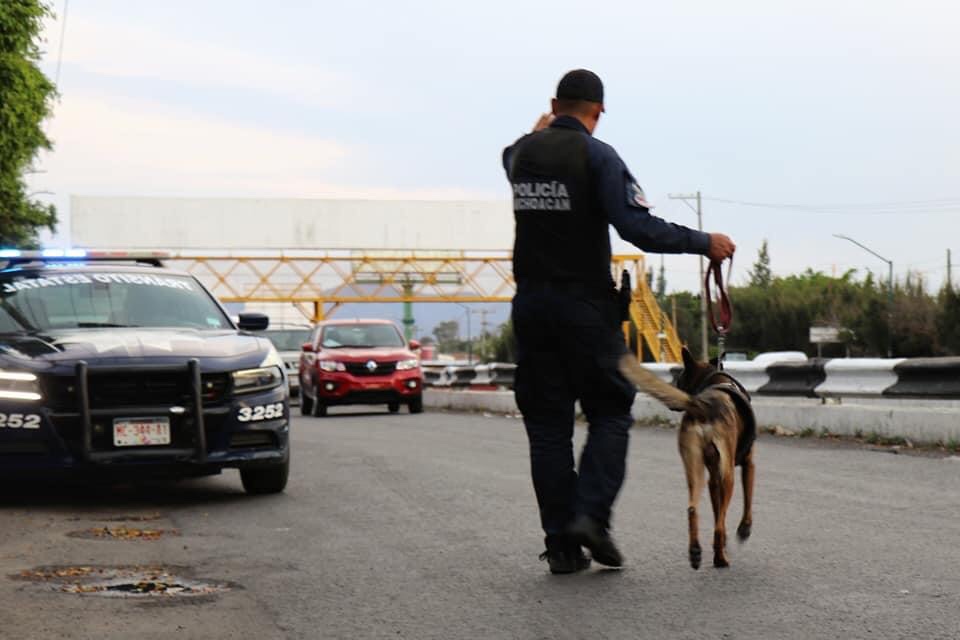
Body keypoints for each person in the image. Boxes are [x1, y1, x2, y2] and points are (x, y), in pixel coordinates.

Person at [502, 69, 736, 574]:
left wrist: (533, 132)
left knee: (547, 430)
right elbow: (637, 227)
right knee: (610, 410)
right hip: (584, 310)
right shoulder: (598, 156)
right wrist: (704, 242)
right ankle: (590, 517)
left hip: (531, 311)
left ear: (553, 103)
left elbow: (511, 156)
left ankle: (561, 546)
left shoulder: (520, 155)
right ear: (598, 112)